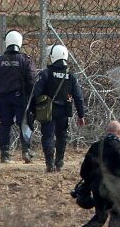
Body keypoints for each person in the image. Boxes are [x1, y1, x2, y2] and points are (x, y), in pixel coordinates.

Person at [31, 44, 86, 172]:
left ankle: (49, 163)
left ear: (53, 57)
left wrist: (33, 111)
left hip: (47, 110)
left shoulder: (46, 73)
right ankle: (59, 162)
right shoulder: (71, 76)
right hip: (64, 111)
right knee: (62, 136)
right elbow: (78, 97)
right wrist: (81, 115)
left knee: (48, 136)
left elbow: (36, 93)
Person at [0, 30, 35, 163]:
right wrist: (31, 97)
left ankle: (5, 154)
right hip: (20, 98)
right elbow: (31, 80)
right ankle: (26, 151)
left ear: (7, 42)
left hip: (3, 98)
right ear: (19, 43)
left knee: (5, 124)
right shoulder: (25, 60)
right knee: (24, 124)